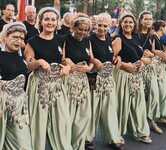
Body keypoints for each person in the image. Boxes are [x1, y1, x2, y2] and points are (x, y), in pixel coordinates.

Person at [24, 7, 71, 150]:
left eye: (53, 19)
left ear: (57, 22)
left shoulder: (60, 40)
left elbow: (63, 60)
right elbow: (28, 66)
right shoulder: (32, 41)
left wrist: (67, 67)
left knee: (62, 120)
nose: (50, 22)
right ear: (41, 21)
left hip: (57, 85)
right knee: (38, 122)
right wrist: (38, 62)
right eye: (47, 19)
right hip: (39, 86)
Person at [86, 12, 124, 150]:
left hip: (108, 79)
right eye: (99, 25)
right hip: (94, 79)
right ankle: (87, 138)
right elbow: (87, 56)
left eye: (105, 26)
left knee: (110, 109)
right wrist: (94, 60)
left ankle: (113, 138)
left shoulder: (109, 39)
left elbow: (111, 55)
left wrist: (116, 58)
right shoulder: (90, 39)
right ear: (95, 26)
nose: (102, 28)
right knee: (92, 110)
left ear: (109, 27)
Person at [112, 13, 152, 144]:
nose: (128, 24)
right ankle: (116, 134)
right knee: (121, 105)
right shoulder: (118, 39)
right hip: (122, 75)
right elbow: (111, 58)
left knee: (139, 105)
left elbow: (141, 56)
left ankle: (142, 132)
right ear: (121, 24)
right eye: (125, 22)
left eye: (130, 22)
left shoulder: (136, 38)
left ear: (135, 25)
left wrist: (142, 62)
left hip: (136, 76)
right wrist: (125, 65)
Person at [0, 22, 32, 150]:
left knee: (22, 142)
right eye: (15, 37)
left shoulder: (20, 58)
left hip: (19, 110)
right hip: (3, 106)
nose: (18, 41)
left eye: (21, 38)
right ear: (5, 38)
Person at [63, 14, 93, 150]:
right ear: (73, 27)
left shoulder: (87, 41)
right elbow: (63, 58)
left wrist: (89, 68)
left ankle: (78, 144)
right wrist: (71, 65)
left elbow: (91, 59)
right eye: (80, 29)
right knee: (68, 114)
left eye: (86, 30)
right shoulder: (65, 39)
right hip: (69, 80)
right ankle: (65, 144)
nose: (83, 32)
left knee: (83, 114)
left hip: (83, 80)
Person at [137, 11, 163, 134]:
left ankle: (151, 120)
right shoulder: (135, 34)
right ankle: (140, 122)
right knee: (141, 98)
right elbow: (130, 50)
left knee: (154, 96)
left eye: (150, 19)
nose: (148, 21)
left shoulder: (151, 36)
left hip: (150, 69)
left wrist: (151, 54)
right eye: (146, 19)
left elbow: (153, 52)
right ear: (141, 20)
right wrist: (143, 54)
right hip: (139, 68)